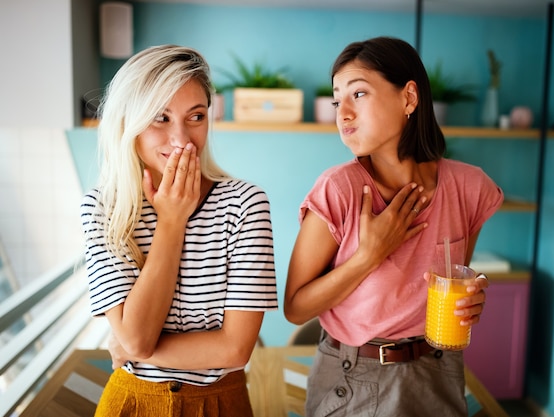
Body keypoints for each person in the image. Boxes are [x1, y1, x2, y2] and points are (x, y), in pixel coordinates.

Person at [283, 36, 503, 416]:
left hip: (439, 370)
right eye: (338, 100)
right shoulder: (339, 190)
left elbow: (457, 276)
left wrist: (475, 290)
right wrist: (368, 256)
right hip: (354, 378)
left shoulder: (470, 188)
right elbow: (295, 308)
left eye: (359, 94)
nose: (343, 113)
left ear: (409, 98)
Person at [80, 45, 277, 417]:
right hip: (132, 402)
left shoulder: (245, 203)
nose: (182, 139)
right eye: (160, 118)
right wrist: (171, 222)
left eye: (196, 116)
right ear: (128, 123)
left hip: (222, 402)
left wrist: (133, 349)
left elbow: (236, 349)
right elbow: (137, 337)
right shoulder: (104, 207)